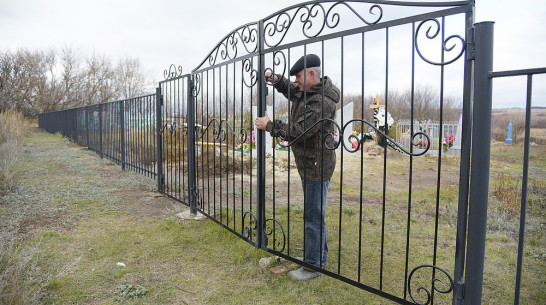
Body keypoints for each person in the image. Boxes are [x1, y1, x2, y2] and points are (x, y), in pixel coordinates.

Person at [255, 54, 340, 281]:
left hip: (316, 165)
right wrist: (275, 79)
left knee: (313, 216)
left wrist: (269, 125)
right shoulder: (311, 91)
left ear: (312, 74)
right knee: (315, 214)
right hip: (311, 163)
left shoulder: (321, 101)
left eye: (300, 76)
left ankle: (313, 267)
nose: (297, 81)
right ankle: (318, 258)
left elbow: (299, 131)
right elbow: (292, 90)